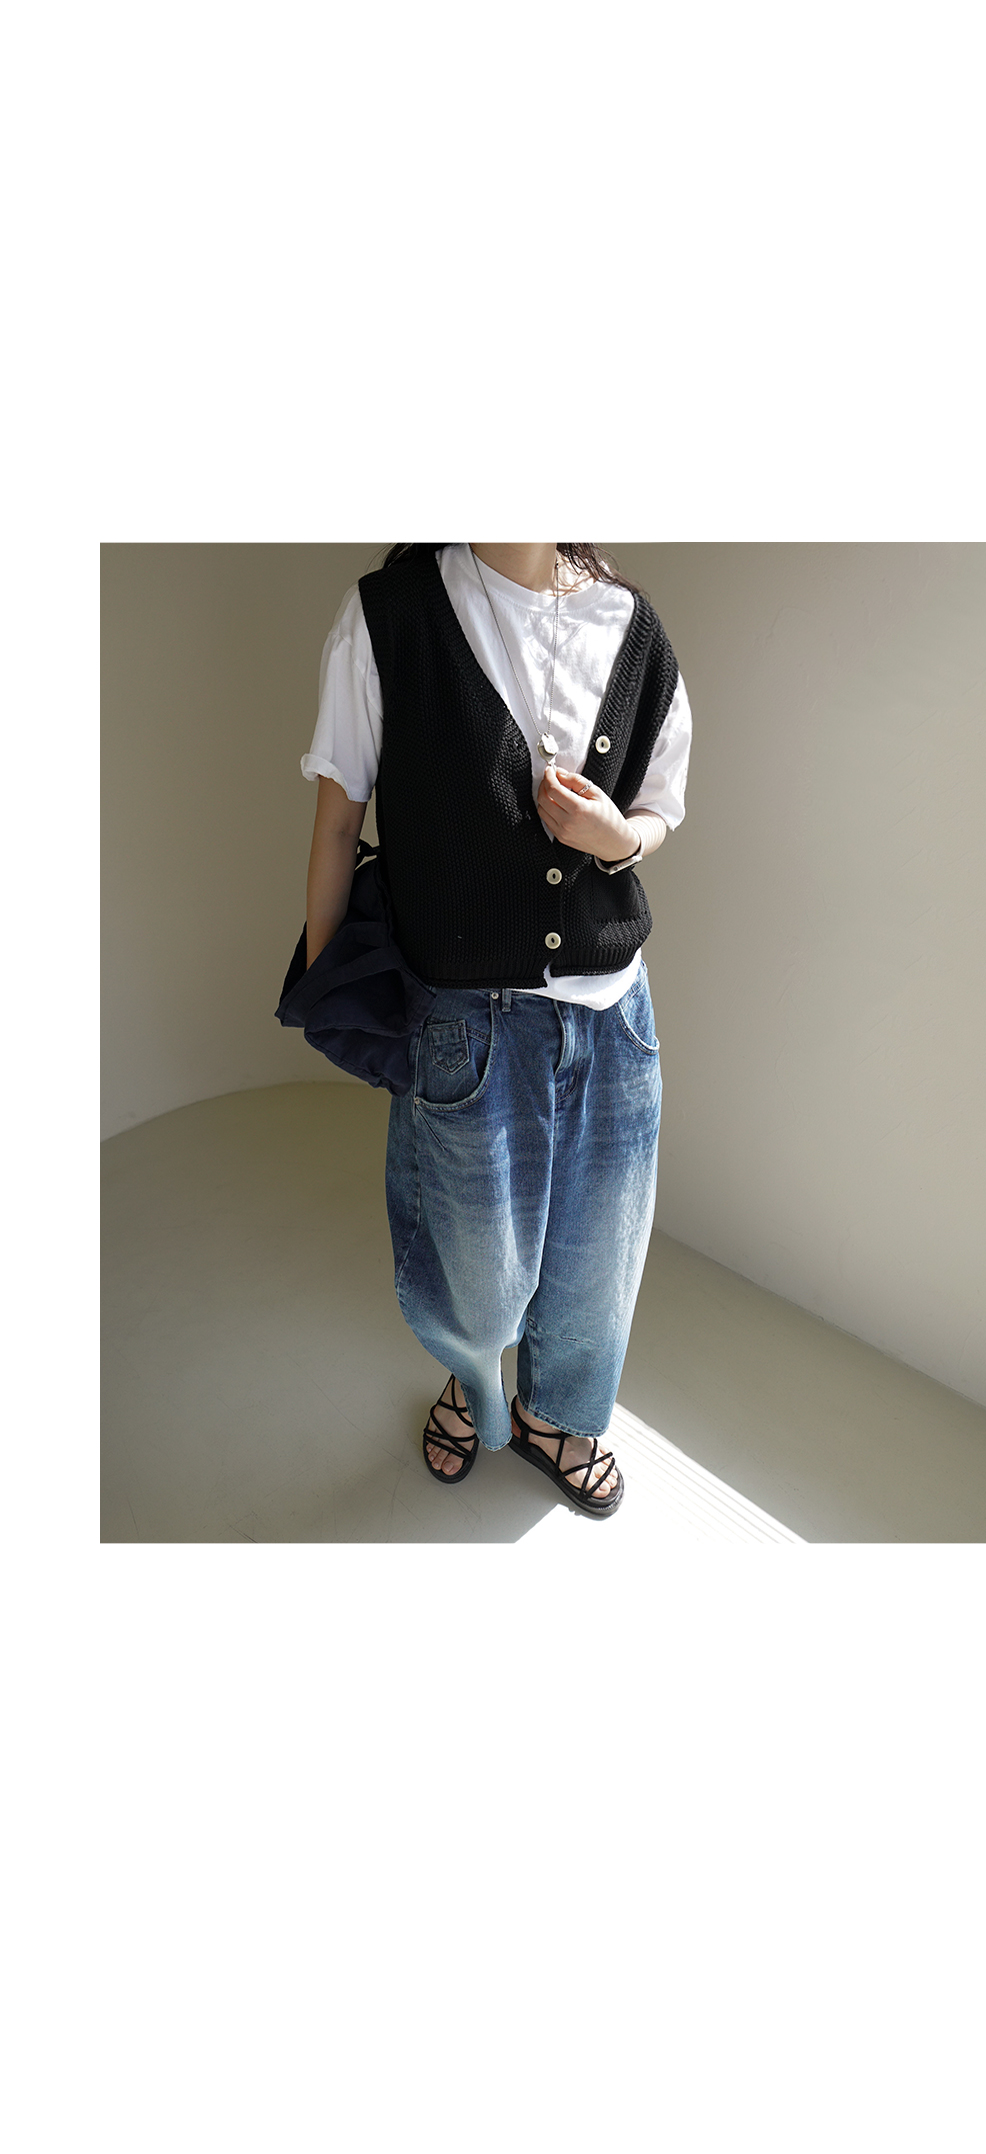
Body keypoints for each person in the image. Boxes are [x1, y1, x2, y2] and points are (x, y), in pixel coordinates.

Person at [301, 545, 691, 1517]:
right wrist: (332, 986)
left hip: (614, 1012)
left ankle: (557, 1416)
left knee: (600, 1259)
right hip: (465, 1021)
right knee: (474, 1277)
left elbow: (658, 808)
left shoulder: (631, 625)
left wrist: (618, 841)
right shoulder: (387, 616)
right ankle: (473, 1382)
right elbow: (338, 822)